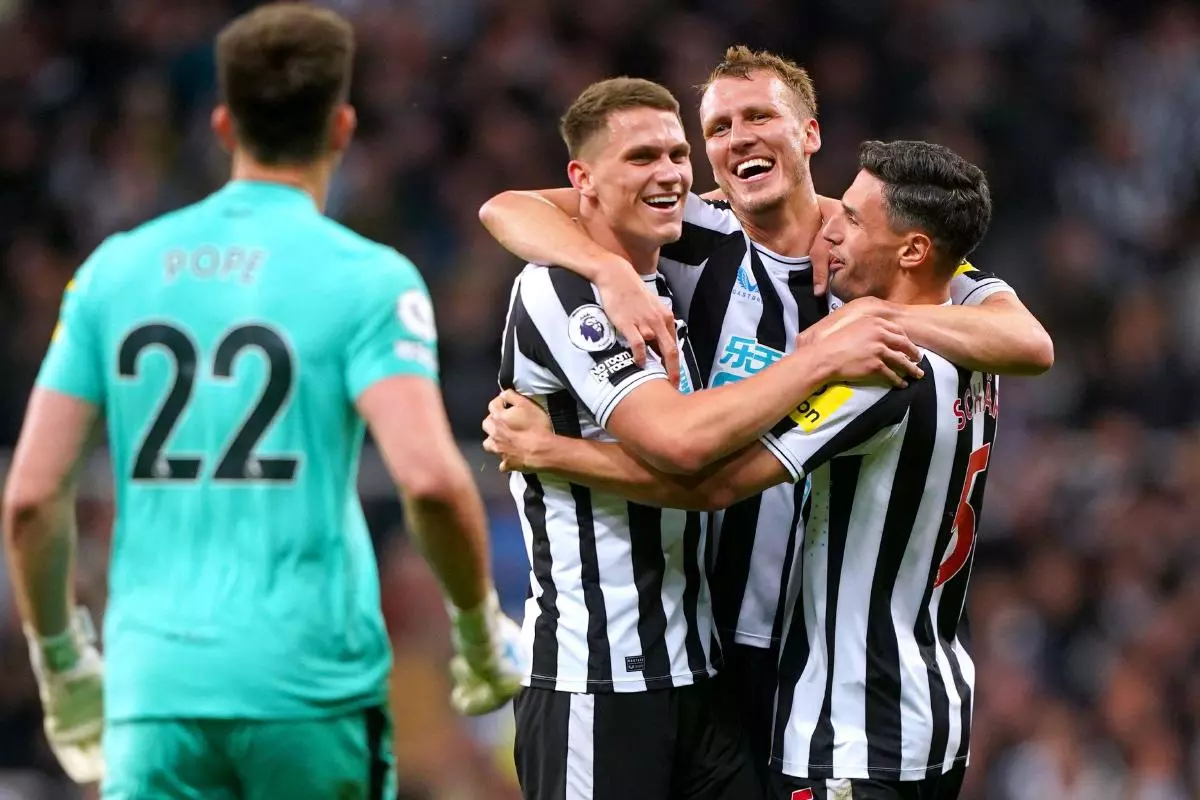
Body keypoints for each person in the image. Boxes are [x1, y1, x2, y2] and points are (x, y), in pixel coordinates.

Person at [478, 45, 1053, 783]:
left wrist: (870, 317)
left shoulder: (869, 254)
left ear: (809, 133)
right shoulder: (690, 235)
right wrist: (608, 269)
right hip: (706, 636)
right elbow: (507, 209)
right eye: (718, 129)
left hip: (811, 654)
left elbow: (1027, 341)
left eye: (758, 117)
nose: (738, 137)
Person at [1, 5, 520, 798]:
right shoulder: (367, 278)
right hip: (309, 687)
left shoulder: (114, 271)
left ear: (222, 124)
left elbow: (32, 496)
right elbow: (428, 480)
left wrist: (65, 667)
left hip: (156, 690)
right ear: (342, 127)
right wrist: (480, 636)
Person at [499, 76, 925, 800]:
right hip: (597, 676)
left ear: (811, 134)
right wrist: (819, 359)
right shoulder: (563, 289)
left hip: (706, 667)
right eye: (642, 157)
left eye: (676, 155)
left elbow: (1023, 336)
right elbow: (681, 446)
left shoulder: (675, 284)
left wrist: (554, 451)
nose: (669, 173)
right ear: (582, 180)